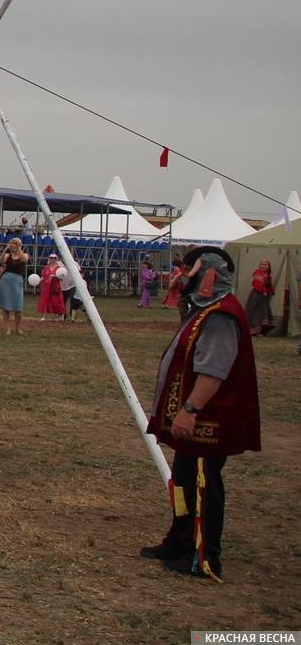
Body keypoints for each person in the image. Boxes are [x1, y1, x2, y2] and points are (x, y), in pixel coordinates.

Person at [140, 246, 261, 581]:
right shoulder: (203, 311)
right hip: (195, 421)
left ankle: (205, 555)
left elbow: (214, 370)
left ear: (207, 275)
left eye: (188, 271)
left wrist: (190, 410)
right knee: (182, 479)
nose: (182, 277)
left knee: (204, 483)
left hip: (209, 420)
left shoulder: (222, 315)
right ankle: (179, 539)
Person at [0, 236, 29, 336]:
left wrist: (18, 247)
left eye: (16, 244)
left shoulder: (25, 254)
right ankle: (8, 329)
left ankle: (18, 328)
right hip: (6, 280)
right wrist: (6, 249)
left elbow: (24, 260)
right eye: (13, 244)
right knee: (6, 306)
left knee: (18, 306)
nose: (14, 245)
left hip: (17, 281)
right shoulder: (7, 256)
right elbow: (1, 261)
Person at [243, 259, 274, 336]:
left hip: (263, 297)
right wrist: (263, 292)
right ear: (259, 266)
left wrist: (270, 291)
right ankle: (254, 331)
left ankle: (260, 331)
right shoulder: (258, 273)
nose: (263, 266)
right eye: (262, 264)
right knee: (256, 313)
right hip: (257, 295)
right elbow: (257, 284)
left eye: (265, 265)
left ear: (268, 266)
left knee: (262, 314)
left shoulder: (267, 274)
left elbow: (269, 285)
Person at [36, 253, 66, 320]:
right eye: (51, 258)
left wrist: (55, 277)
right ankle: (44, 316)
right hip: (46, 287)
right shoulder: (46, 267)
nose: (52, 259)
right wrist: (38, 281)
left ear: (56, 259)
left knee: (57, 301)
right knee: (45, 300)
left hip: (55, 287)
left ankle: (60, 316)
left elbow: (61, 278)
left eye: (54, 258)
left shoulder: (59, 268)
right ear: (49, 259)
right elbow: (43, 276)